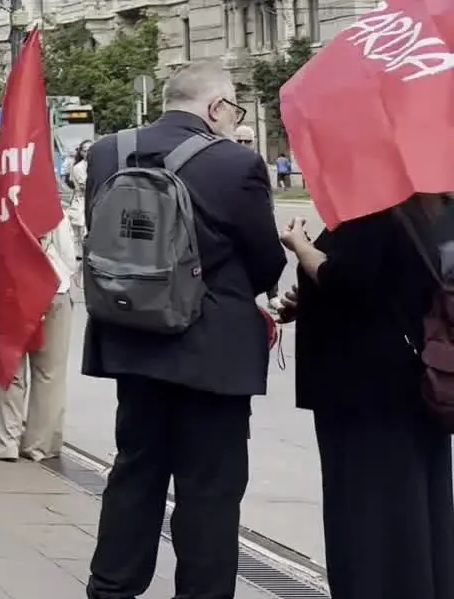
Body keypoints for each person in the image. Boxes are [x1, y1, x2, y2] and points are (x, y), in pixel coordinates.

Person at [80, 61, 285, 599]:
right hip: (210, 350)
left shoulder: (108, 152)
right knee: (209, 487)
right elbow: (265, 262)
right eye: (233, 109)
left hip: (129, 335)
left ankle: (111, 588)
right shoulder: (235, 163)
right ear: (217, 108)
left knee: (134, 470)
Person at [278, 207, 454, 599]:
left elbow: (346, 278)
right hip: (420, 376)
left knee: (369, 515)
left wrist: (301, 246)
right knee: (419, 509)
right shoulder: (436, 209)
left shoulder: (374, 212)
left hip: (366, 387)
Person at [0, 159, 80, 463]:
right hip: (51, 289)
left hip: (8, 292)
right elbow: (68, 251)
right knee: (49, 372)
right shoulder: (46, 198)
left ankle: (4, 440)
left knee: (9, 367)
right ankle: (41, 444)